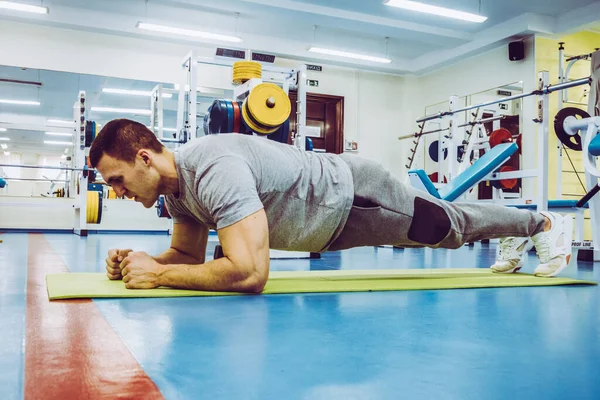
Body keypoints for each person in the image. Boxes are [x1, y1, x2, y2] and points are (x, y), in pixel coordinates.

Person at [90, 119, 573, 293]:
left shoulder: (214, 167)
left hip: (355, 197)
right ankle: (519, 228)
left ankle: (543, 222)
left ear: (144, 157)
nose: (116, 191)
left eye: (116, 180)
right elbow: (190, 259)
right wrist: (146, 262)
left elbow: (250, 274)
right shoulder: (177, 193)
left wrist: (159, 275)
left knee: (452, 229)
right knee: (453, 226)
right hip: (329, 222)